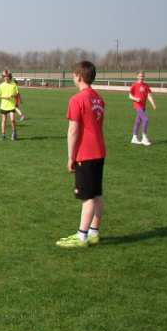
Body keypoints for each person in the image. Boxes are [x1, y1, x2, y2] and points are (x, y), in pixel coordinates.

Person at [57, 60, 106, 248]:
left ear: (78, 77)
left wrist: (71, 156)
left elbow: (73, 130)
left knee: (87, 197)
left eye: (73, 74)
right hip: (99, 150)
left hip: (86, 153)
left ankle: (82, 236)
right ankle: (94, 232)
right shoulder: (98, 98)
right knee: (96, 194)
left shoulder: (77, 99)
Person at [129, 71, 157, 146]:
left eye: (142, 76)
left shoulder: (146, 86)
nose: (141, 77)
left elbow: (149, 96)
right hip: (137, 105)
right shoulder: (134, 85)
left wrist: (153, 104)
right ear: (137, 77)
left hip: (143, 106)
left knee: (138, 121)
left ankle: (134, 138)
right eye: (140, 76)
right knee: (145, 119)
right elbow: (130, 96)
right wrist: (135, 99)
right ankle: (144, 138)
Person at [0, 70, 19, 140]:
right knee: (4, 120)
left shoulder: (14, 84)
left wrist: (13, 96)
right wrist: (4, 97)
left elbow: (16, 94)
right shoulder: (1, 85)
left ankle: (14, 133)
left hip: (11, 105)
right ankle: (3, 135)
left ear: (10, 77)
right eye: (4, 76)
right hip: (4, 106)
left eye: (7, 76)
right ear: (3, 77)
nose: (6, 77)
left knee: (12, 120)